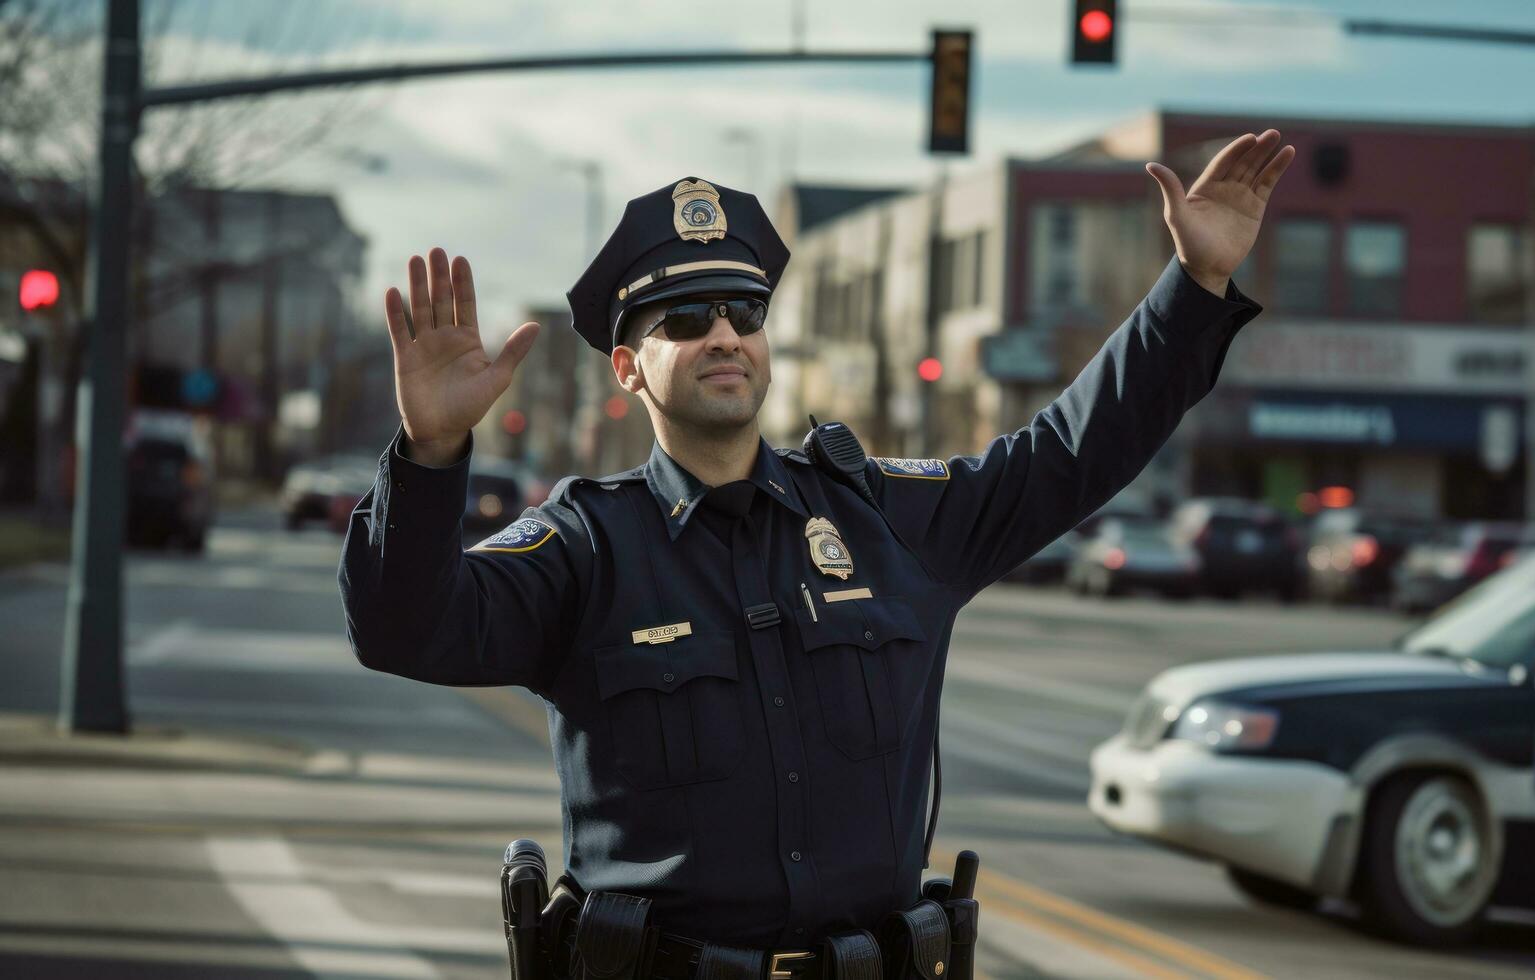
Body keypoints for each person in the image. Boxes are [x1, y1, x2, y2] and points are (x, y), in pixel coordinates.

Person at [339, 130, 1294, 977]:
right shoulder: (586, 547)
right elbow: (405, 630)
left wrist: (1192, 288)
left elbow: (1068, 454)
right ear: (627, 368)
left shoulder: (886, 518)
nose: (724, 335)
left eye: (743, 313)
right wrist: (430, 455)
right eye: (683, 319)